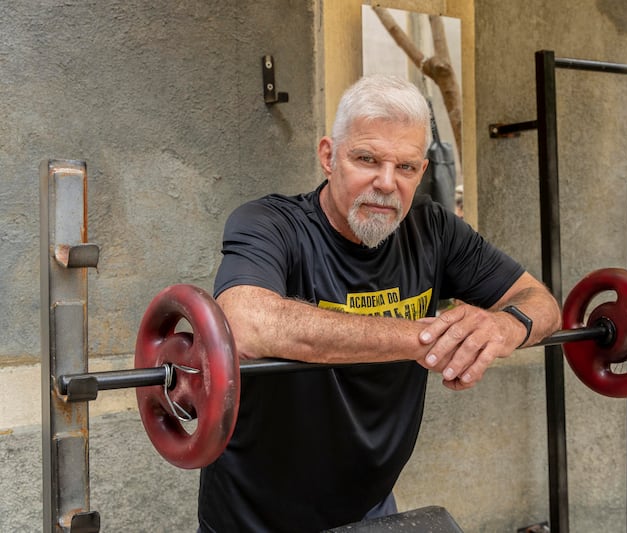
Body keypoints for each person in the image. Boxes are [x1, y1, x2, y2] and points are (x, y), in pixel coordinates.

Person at [197, 75, 561, 533]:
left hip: (370, 511)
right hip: (253, 515)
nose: (386, 183)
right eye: (366, 159)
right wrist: (427, 336)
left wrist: (502, 328)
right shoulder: (270, 224)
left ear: (422, 173)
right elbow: (245, 324)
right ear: (329, 156)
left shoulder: (434, 230)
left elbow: (541, 303)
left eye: (405, 168)